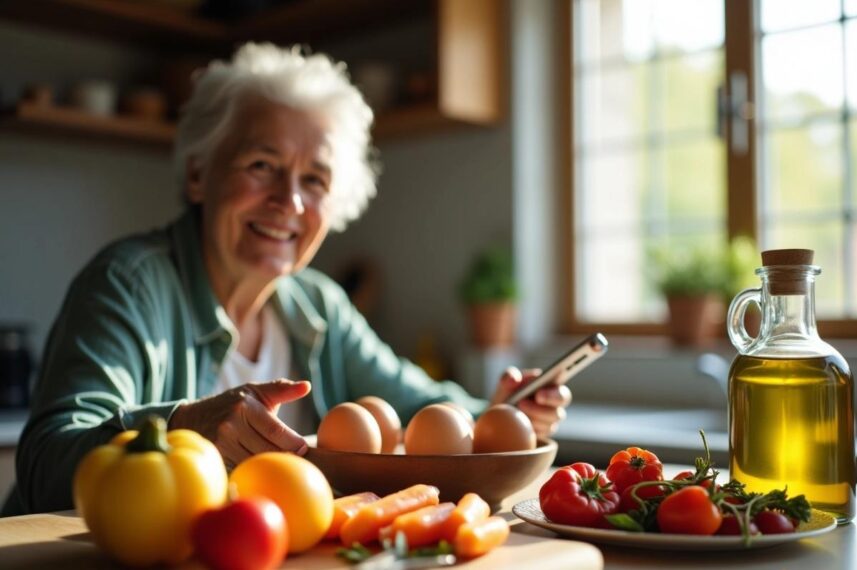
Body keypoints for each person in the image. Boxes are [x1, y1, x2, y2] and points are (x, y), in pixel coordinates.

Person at [2, 43, 571, 516]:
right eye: (261, 165)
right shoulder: (128, 284)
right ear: (200, 172)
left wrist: (498, 412)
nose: (289, 202)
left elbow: (420, 412)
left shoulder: (317, 303)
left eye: (315, 180)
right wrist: (182, 427)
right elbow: (46, 463)